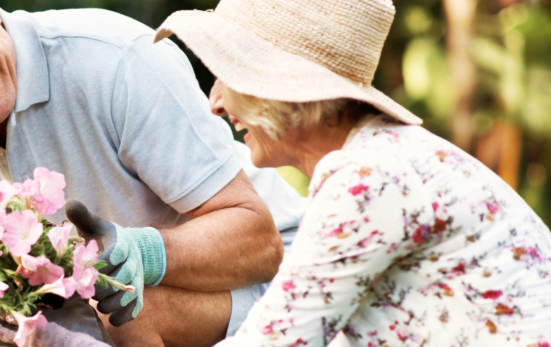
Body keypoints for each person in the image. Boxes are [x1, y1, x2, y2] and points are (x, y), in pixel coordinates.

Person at [0, 0, 307, 345]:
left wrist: (142, 252)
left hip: (276, 290)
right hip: (90, 329)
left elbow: (261, 245)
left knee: (122, 308)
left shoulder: (116, 60)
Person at [146, 0, 551, 345]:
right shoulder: (379, 160)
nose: (214, 102)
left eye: (230, 75)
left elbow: (275, 340)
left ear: (286, 90)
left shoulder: (370, 182)